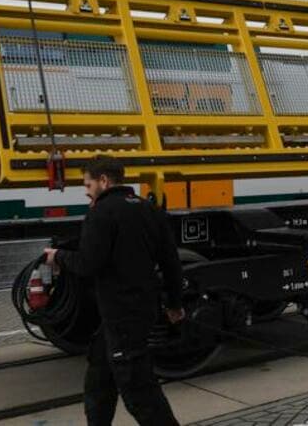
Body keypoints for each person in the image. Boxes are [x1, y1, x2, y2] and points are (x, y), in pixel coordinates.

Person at [43, 157, 185, 426]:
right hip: (137, 312)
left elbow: (88, 264)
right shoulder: (149, 209)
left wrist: (58, 256)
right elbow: (171, 262)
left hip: (122, 316)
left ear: (104, 181)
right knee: (99, 377)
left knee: (140, 393)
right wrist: (174, 303)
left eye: (88, 184)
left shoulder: (101, 213)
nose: (86, 191)